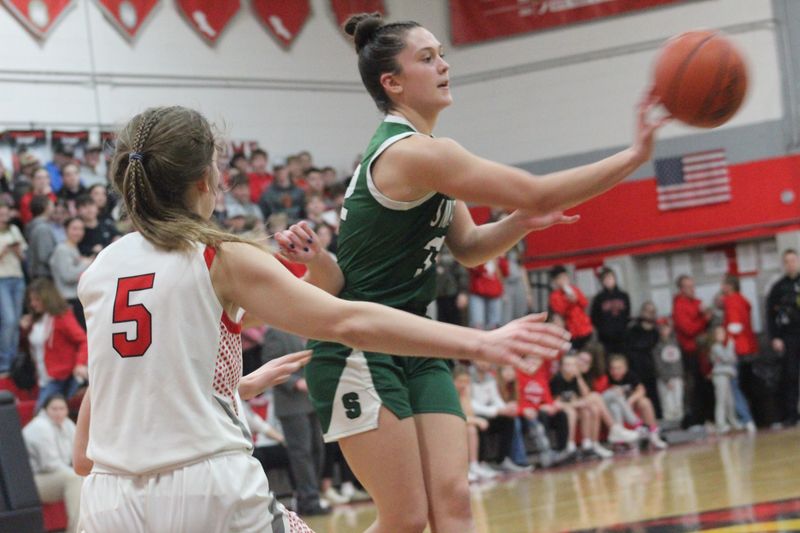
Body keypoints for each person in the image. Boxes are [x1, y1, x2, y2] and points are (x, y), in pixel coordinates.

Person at [72, 106, 570, 533]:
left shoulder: (97, 273)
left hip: (108, 504)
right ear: (205, 180)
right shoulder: (217, 256)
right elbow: (346, 321)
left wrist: (233, 389)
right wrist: (478, 343)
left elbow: (93, 438)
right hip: (205, 489)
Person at [276, 12, 666, 532]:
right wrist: (636, 155)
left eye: (441, 53)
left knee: (454, 503)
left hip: (417, 341)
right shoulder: (413, 153)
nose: (444, 64)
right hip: (358, 348)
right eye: (427, 57)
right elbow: (540, 190)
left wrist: (520, 223)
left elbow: (470, 248)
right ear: (392, 83)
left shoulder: (431, 154)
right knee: (407, 519)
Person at [262, 327, 328, 517]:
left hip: (312, 400)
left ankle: (310, 495)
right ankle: (309, 500)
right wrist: (294, 382)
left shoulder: (311, 328)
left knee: (317, 450)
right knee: (302, 453)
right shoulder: (276, 332)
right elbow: (268, 366)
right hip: (291, 403)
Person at [21, 279, 87, 410]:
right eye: (31, 300)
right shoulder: (36, 320)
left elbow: (83, 340)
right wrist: (24, 330)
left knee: (41, 413)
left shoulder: (62, 317)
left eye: (37, 300)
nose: (33, 304)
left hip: (59, 376)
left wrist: (80, 363)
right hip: (43, 377)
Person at [22, 395, 83, 533]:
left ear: (67, 410)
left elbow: (78, 452)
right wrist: (77, 472)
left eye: (62, 408)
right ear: (45, 410)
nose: (58, 412)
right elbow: (49, 464)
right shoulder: (40, 426)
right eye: (54, 409)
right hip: (32, 482)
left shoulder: (67, 424)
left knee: (84, 477)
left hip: (53, 476)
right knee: (73, 478)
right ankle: (76, 530)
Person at [470, 360, 532, 472]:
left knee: (509, 419)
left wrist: (505, 409)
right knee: (482, 423)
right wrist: (497, 411)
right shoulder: (468, 377)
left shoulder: (489, 378)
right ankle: (481, 463)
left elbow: (495, 398)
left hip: (490, 412)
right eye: (481, 360)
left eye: (487, 361)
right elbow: (472, 405)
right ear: (474, 360)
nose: (484, 363)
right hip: (474, 415)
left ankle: (503, 459)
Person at [766, 249, 800, 427]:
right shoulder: (778, 288)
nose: (791, 264)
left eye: (793, 260)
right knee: (791, 375)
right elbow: (770, 316)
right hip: (789, 336)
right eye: (787, 261)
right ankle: (792, 414)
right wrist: (775, 337)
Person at [673, 274, 712, 426]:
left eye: (692, 286)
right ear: (681, 289)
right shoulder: (679, 306)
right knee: (694, 386)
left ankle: (707, 417)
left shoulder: (697, 303)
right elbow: (688, 329)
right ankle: (696, 419)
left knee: (705, 384)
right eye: (688, 287)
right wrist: (704, 320)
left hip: (702, 350)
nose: (692, 289)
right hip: (690, 351)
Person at [720, 275, 757, 432]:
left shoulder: (731, 301)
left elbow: (735, 326)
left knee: (733, 386)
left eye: (723, 285)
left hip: (736, 349)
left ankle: (746, 418)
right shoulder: (743, 300)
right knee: (743, 384)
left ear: (729, 286)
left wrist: (726, 342)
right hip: (748, 347)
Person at [606, 355, 667, 448]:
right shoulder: (607, 378)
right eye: (613, 368)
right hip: (613, 408)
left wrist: (631, 400)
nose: (615, 371)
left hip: (629, 406)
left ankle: (653, 435)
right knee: (616, 407)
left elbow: (641, 390)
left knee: (645, 402)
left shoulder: (630, 375)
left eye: (619, 368)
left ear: (625, 368)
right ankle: (623, 439)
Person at [453, 365, 498, 482]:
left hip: (461, 423)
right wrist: (477, 420)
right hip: (447, 425)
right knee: (473, 426)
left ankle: (474, 465)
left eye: (466, 382)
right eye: (460, 381)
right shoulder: (448, 394)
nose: (463, 385)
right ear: (452, 381)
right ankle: (463, 468)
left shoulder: (464, 393)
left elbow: (469, 414)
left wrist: (465, 397)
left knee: (472, 428)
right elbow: (456, 417)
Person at [49, 217, 92, 329]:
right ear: (65, 230)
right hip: (68, 300)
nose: (78, 232)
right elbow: (68, 276)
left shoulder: (73, 248)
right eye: (74, 229)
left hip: (76, 299)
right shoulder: (62, 249)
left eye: (81, 229)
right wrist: (86, 263)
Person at [0, 200, 26, 374]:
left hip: (17, 277)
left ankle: (14, 361)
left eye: (5, 213)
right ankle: (5, 363)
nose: (4, 217)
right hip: (1, 278)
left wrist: (16, 250)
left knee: (16, 321)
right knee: (8, 320)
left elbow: (23, 257)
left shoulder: (14, 230)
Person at [625, 301, 662, 419]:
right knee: (640, 392)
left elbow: (655, 346)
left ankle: (656, 418)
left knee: (653, 393)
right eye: (647, 311)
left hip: (651, 366)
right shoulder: (633, 328)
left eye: (652, 311)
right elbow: (632, 346)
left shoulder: (656, 330)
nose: (649, 314)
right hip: (636, 365)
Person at [549, 265, 593, 349]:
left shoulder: (575, 289)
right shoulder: (554, 296)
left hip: (585, 328)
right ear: (555, 281)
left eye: (565, 276)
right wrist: (569, 301)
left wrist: (576, 298)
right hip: (571, 332)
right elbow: (560, 312)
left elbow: (585, 303)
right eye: (560, 278)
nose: (564, 280)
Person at [590, 268, 631, 355]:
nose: (608, 281)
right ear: (602, 282)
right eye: (605, 279)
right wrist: (604, 330)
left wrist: (622, 327)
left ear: (614, 278)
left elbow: (627, 314)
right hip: (606, 339)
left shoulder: (624, 296)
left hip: (622, 336)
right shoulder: (598, 298)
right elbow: (594, 317)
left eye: (610, 278)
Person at [709, 326, 741, 433]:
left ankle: (732, 420)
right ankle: (720, 423)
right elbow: (727, 357)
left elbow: (734, 359)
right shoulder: (716, 347)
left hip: (728, 375)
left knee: (730, 401)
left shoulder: (725, 346)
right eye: (718, 334)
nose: (721, 336)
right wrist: (731, 346)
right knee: (721, 400)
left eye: (723, 333)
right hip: (720, 376)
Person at [653, 320, 684, 423]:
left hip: (677, 377)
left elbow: (679, 361)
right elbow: (658, 365)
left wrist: (680, 375)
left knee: (678, 402)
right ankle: (669, 424)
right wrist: (666, 379)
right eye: (662, 328)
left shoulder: (676, 343)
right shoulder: (657, 347)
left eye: (666, 328)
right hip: (665, 379)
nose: (664, 330)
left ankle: (680, 422)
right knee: (667, 403)